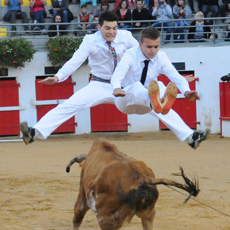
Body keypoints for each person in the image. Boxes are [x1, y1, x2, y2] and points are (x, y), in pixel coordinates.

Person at [20, 11, 139, 145]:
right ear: (99, 28)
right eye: (107, 28)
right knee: (69, 105)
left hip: (124, 85)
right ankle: (34, 133)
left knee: (152, 103)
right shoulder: (90, 41)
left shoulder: (126, 36)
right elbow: (75, 61)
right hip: (98, 85)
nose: (112, 32)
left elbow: (140, 54)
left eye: (114, 28)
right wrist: (58, 77)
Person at [110, 26, 210, 149]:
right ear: (140, 44)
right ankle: (157, 102)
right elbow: (118, 73)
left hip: (147, 104)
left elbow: (175, 76)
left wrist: (186, 91)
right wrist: (116, 87)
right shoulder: (130, 55)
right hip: (125, 100)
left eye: (156, 46)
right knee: (137, 87)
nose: (153, 51)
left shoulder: (161, 57)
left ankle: (191, 138)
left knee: (161, 87)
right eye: (149, 47)